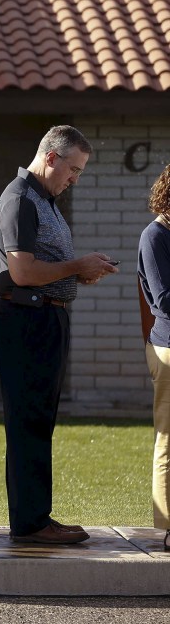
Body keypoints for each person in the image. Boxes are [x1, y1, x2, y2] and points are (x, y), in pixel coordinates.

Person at [0, 125, 118, 544]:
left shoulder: (45, 200)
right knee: (28, 420)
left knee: (40, 421)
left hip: (48, 318)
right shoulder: (19, 199)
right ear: (50, 157)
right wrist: (75, 266)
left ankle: (37, 516)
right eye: (74, 169)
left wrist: (80, 274)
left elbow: (45, 266)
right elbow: (22, 271)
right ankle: (29, 525)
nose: (74, 179)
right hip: (26, 322)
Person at [138, 163, 170, 553]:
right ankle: (167, 525)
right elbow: (163, 301)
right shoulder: (155, 236)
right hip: (168, 349)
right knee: (169, 439)